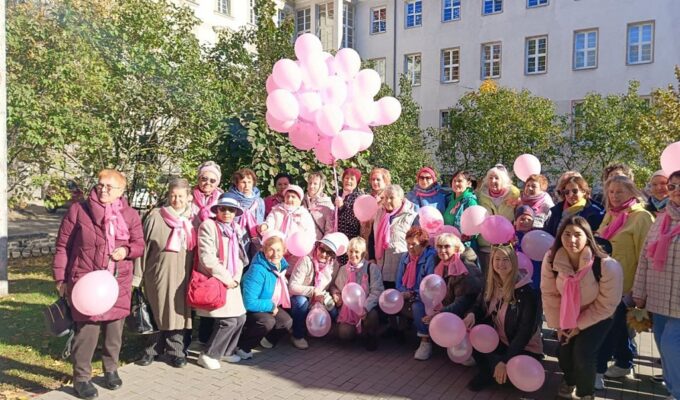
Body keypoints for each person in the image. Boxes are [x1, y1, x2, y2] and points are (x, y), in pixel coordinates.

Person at [53, 169, 144, 400]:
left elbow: (139, 245)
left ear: (121, 191)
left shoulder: (130, 215)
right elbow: (63, 246)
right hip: (85, 283)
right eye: (100, 185)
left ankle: (110, 369)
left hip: (117, 282)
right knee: (87, 333)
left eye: (109, 187)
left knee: (114, 331)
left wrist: (126, 250)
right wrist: (60, 279)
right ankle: (82, 378)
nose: (103, 189)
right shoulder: (78, 210)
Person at [542, 216, 623, 400]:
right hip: (566, 314)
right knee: (563, 352)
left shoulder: (606, 265)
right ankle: (569, 381)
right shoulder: (551, 259)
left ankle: (586, 393)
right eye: (567, 234)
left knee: (583, 353)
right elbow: (550, 294)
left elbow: (607, 303)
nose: (571, 240)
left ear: (588, 237)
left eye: (578, 235)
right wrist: (559, 326)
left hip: (599, 313)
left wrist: (578, 325)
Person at [595, 176, 654, 386]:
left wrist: (639, 290)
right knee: (618, 327)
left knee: (608, 328)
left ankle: (598, 371)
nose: (614, 195)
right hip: (604, 281)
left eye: (620, 191)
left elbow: (645, 256)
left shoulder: (641, 217)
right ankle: (624, 362)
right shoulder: (610, 215)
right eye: (611, 191)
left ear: (632, 192)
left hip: (626, 285)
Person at [133, 179, 195, 369]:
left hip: (183, 274)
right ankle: (151, 350)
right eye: (173, 195)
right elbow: (143, 248)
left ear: (189, 197)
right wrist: (138, 276)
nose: (177, 200)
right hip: (158, 272)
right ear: (168, 196)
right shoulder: (156, 217)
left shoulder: (193, 220)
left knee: (178, 312)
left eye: (181, 196)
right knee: (157, 309)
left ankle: (176, 351)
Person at [464, 245, 543, 392]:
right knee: (474, 332)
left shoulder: (528, 293)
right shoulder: (491, 284)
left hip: (523, 346)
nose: (501, 264)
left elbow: (524, 333)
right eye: (497, 259)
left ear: (514, 263)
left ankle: (496, 367)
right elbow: (479, 305)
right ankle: (486, 372)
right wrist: (472, 313)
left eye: (506, 259)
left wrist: (506, 360)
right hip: (499, 339)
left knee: (510, 382)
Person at [633, 170, 680, 400]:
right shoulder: (662, 219)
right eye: (672, 187)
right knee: (663, 346)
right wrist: (639, 292)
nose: (676, 191)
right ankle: (673, 390)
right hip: (659, 297)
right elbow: (645, 257)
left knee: (672, 347)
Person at [195, 194, 249, 370]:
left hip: (232, 280)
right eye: (223, 208)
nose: (227, 212)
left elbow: (241, 256)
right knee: (228, 322)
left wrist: (236, 278)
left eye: (231, 210)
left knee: (240, 318)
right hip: (217, 280)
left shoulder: (236, 229)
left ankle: (227, 351)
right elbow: (207, 257)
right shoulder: (208, 226)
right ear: (217, 210)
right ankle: (209, 354)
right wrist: (226, 278)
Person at [422, 233, 482, 365]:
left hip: (471, 309)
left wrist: (439, 314)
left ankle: (465, 349)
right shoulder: (440, 263)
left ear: (456, 248)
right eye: (439, 247)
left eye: (446, 246)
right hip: (451, 304)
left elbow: (464, 302)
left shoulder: (465, 267)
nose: (442, 250)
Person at [236, 234, 294, 359]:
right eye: (271, 250)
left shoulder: (281, 267)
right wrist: (271, 307)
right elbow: (249, 302)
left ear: (284, 251)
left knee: (286, 321)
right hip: (249, 309)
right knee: (268, 321)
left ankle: (265, 340)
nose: (275, 254)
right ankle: (242, 346)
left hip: (269, 304)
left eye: (278, 250)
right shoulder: (258, 269)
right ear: (263, 249)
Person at [288, 233, 344, 349]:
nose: (323, 254)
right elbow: (292, 286)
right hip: (302, 295)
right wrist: (313, 291)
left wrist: (335, 293)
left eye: (328, 252)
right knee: (301, 302)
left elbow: (332, 285)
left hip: (321, 296)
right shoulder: (306, 260)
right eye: (322, 248)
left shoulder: (334, 265)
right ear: (317, 246)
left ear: (333, 255)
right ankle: (297, 335)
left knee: (334, 312)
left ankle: (318, 330)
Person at [330, 237, 384, 351]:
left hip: (366, 309)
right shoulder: (344, 269)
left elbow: (377, 291)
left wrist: (366, 307)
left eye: (357, 252)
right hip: (348, 311)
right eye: (350, 251)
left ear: (363, 253)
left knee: (372, 316)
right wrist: (335, 293)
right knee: (344, 335)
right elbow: (335, 286)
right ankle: (356, 332)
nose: (353, 254)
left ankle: (370, 335)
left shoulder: (371, 268)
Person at [395, 227, 437, 360]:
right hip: (407, 293)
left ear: (423, 244)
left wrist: (412, 294)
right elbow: (399, 281)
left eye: (414, 244)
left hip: (423, 297)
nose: (410, 248)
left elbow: (430, 284)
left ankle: (425, 341)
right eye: (408, 244)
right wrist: (402, 293)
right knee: (389, 299)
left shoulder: (431, 257)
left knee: (417, 307)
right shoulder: (405, 257)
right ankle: (399, 332)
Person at [371, 185, 418, 289]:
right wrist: (371, 257)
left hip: (400, 266)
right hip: (379, 266)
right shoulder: (379, 213)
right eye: (385, 197)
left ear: (401, 199)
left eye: (391, 198)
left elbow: (416, 243)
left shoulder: (411, 216)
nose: (387, 201)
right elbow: (371, 236)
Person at [476, 166, 521, 272]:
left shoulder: (513, 197)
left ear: (503, 180)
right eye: (490, 178)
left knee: (505, 277)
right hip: (487, 245)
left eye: (496, 178)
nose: (493, 181)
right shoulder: (480, 197)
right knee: (488, 278)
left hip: (507, 245)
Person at [259, 184, 316, 266]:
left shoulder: (304, 215)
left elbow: (310, 234)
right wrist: (265, 226)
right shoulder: (277, 210)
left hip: (295, 253)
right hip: (276, 250)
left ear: (299, 200)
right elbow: (270, 222)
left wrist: (306, 246)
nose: (290, 199)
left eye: (293, 197)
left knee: (291, 273)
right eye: (287, 196)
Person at [227, 168, 266, 249]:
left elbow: (261, 219)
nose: (247, 185)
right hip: (236, 237)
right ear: (236, 184)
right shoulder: (230, 200)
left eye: (249, 182)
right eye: (243, 182)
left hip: (255, 238)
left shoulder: (259, 202)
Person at [443, 170, 479, 248]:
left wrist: (468, 236)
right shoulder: (449, 199)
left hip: (464, 247)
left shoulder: (470, 201)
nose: (456, 183)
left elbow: (476, 225)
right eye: (454, 180)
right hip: (449, 244)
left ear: (468, 184)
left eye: (459, 181)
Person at [335, 168, 363, 265]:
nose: (348, 181)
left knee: (346, 267)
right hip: (335, 236)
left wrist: (342, 207)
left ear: (357, 182)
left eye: (352, 179)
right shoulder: (336, 194)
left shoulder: (358, 196)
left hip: (349, 238)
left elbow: (355, 219)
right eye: (346, 178)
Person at [513, 205, 542, 291]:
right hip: (515, 277)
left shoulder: (537, 236)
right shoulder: (510, 236)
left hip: (534, 277)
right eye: (522, 219)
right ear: (515, 221)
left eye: (529, 220)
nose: (525, 222)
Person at [361, 168, 392, 244]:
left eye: (378, 179)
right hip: (370, 235)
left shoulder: (390, 197)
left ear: (385, 181)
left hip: (385, 235)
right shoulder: (368, 198)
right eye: (373, 179)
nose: (375, 182)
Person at [302, 172, 334, 240]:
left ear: (322, 186)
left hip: (317, 244)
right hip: (301, 242)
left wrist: (323, 246)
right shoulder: (301, 201)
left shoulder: (327, 205)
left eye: (315, 184)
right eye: (310, 183)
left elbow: (329, 230)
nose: (311, 186)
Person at [190, 161, 224, 226]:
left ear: (217, 183)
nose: (208, 183)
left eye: (212, 181)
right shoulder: (189, 196)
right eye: (204, 179)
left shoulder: (222, 198)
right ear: (198, 179)